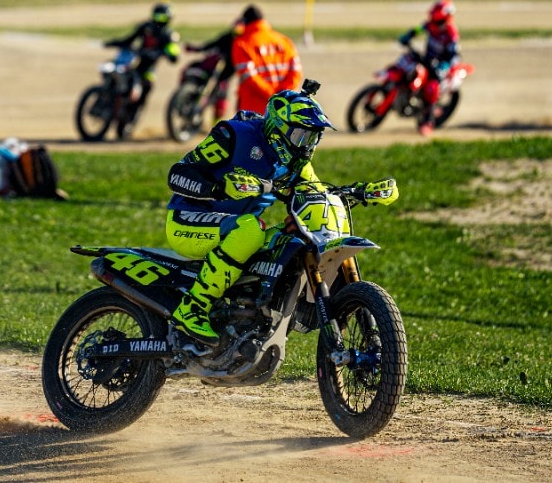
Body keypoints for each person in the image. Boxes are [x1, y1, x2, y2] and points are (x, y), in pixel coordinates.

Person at [166, 81, 398, 345]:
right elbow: (177, 175)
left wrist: (364, 192)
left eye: (313, 138)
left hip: (240, 226)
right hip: (188, 220)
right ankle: (193, 307)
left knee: (293, 237)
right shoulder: (233, 135)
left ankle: (249, 316)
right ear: (278, 128)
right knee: (250, 230)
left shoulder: (297, 162)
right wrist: (218, 188)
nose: (306, 147)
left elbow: (315, 193)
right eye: (301, 136)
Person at [103, 3, 181, 129]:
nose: (159, 19)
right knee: (113, 71)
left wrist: (164, 53)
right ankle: (107, 100)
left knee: (146, 86)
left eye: (162, 17)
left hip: (147, 68)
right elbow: (129, 39)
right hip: (132, 62)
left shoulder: (169, 35)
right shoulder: (146, 27)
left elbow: (174, 54)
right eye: (157, 16)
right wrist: (115, 42)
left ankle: (133, 115)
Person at [398, 0, 462, 136]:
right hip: (426, 60)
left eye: (438, 21)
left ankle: (428, 121)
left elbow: (454, 55)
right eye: (433, 19)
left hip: (440, 66)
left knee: (431, 89)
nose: (434, 23)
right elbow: (418, 29)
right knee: (406, 66)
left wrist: (445, 65)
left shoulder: (451, 34)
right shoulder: (430, 25)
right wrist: (408, 35)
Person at [230, 4, 301, 117]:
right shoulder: (284, 40)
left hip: (253, 109)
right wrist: (281, 94)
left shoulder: (241, 43)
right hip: (284, 108)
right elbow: (295, 73)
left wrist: (271, 94)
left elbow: (249, 77)